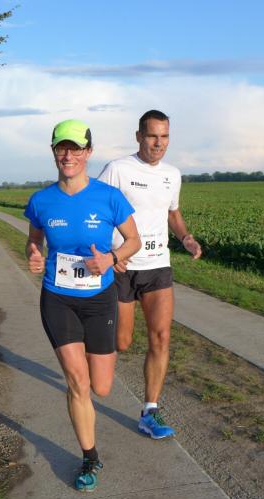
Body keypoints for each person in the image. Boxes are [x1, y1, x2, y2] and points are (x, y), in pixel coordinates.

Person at [24, 119, 141, 492]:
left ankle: (90, 401)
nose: (68, 155)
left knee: (101, 387)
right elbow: (34, 241)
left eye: (75, 148)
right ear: (53, 151)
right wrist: (34, 255)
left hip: (99, 299)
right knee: (77, 382)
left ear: (88, 152)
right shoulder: (41, 200)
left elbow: (133, 241)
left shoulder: (109, 197)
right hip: (58, 297)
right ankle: (89, 457)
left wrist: (111, 258)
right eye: (62, 147)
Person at [98, 110, 202, 440]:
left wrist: (185, 237)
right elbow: (95, 211)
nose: (159, 143)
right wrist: (110, 253)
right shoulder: (118, 169)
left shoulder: (172, 174)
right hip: (123, 267)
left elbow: (173, 212)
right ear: (139, 136)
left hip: (157, 266)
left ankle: (150, 411)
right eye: (153, 136)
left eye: (165, 136)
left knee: (161, 337)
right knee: (122, 341)